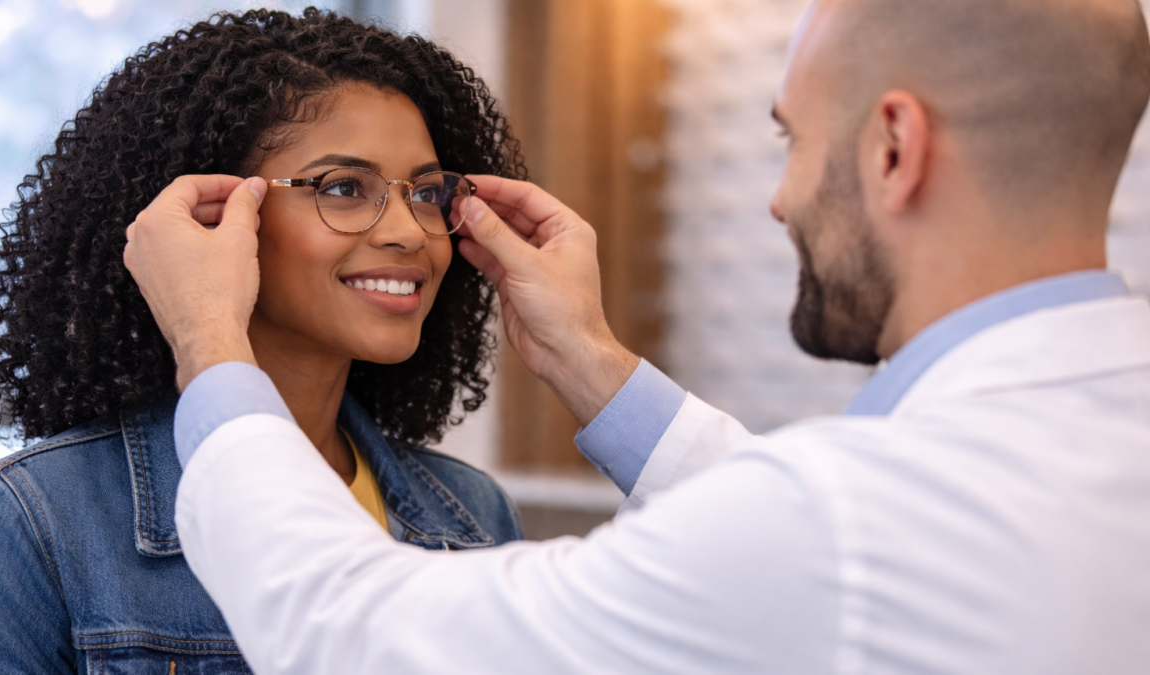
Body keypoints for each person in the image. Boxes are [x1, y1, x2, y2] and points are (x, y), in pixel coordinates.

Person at [126, 0, 1150, 673]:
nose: (778, 201)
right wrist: (591, 360)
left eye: (792, 140)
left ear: (893, 147)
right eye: (344, 187)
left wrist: (210, 341)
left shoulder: (847, 518)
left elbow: (350, 632)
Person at [0, 9, 526, 673]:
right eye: (343, 187)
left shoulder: (474, 515)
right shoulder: (38, 520)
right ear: (211, 216)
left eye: (426, 192)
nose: (409, 230)